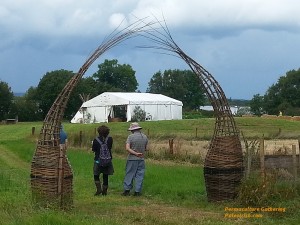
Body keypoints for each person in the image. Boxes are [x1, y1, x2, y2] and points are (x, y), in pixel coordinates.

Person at [122, 122, 148, 196]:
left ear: (132, 130)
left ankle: (127, 190)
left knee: (129, 174)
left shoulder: (130, 137)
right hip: (141, 159)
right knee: (140, 175)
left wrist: (135, 153)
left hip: (132, 159)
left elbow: (127, 148)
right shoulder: (145, 137)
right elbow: (146, 148)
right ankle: (137, 191)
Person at [92, 125, 114, 196]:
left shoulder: (96, 140)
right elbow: (110, 147)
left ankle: (98, 189)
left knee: (96, 174)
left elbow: (94, 150)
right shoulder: (110, 139)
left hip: (98, 160)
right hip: (108, 160)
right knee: (105, 175)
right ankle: (104, 191)